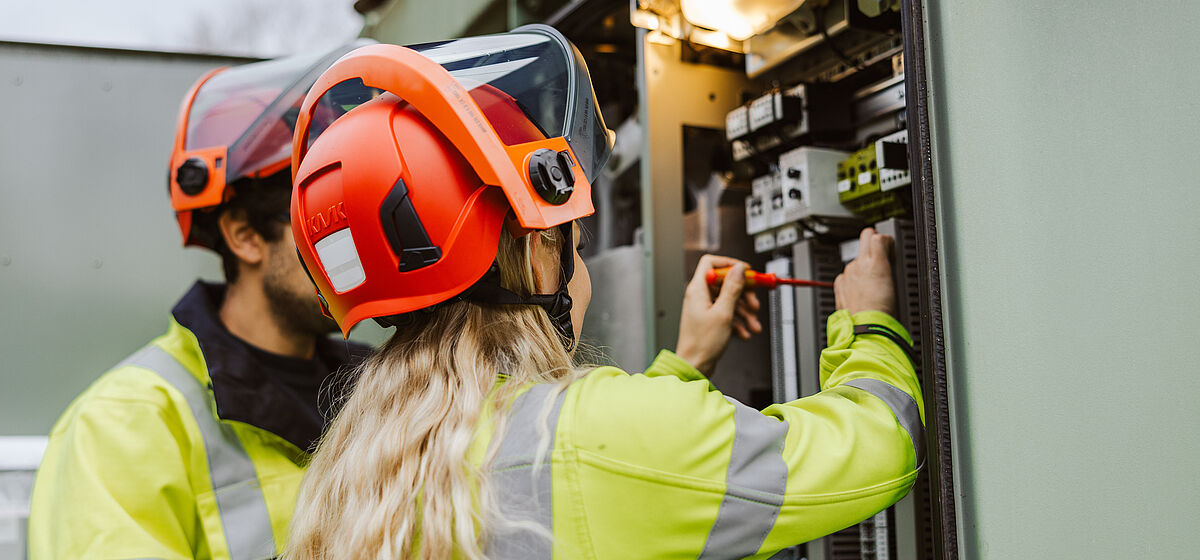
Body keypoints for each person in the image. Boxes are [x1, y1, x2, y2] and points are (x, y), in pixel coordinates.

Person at [284, 25, 923, 560]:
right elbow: (878, 447)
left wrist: (686, 364)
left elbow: (607, 480)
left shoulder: (349, 474)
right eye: (575, 239)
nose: (578, 261)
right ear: (537, 250)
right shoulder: (594, 440)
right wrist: (868, 324)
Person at [28, 45, 372, 560]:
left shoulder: (386, 392)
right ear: (245, 236)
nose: (352, 244)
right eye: (321, 219)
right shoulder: (127, 422)